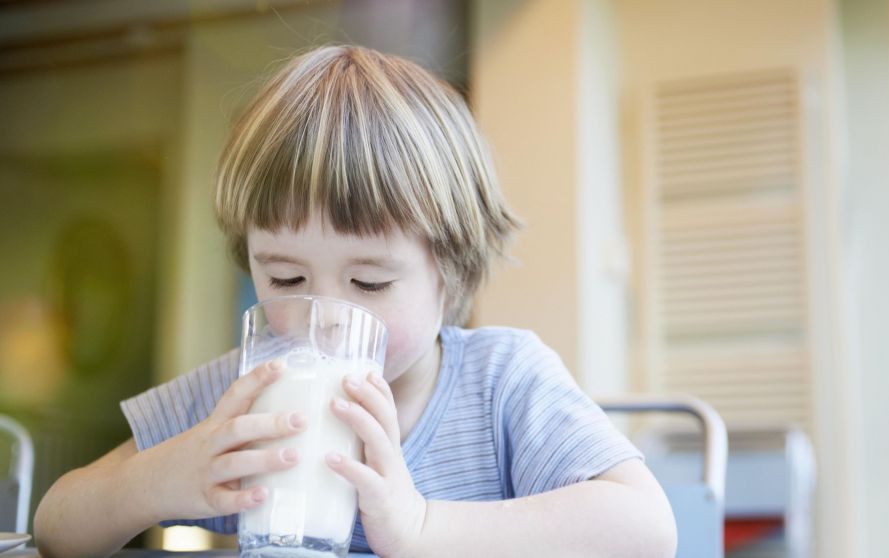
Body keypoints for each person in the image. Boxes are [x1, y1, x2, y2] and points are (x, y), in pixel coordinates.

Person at [34, 45, 677, 558]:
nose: (323, 317)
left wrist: (422, 528)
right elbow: (57, 524)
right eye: (286, 279)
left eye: (368, 284)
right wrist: (154, 482)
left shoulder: (501, 383)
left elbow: (646, 529)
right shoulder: (247, 397)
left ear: (450, 273)